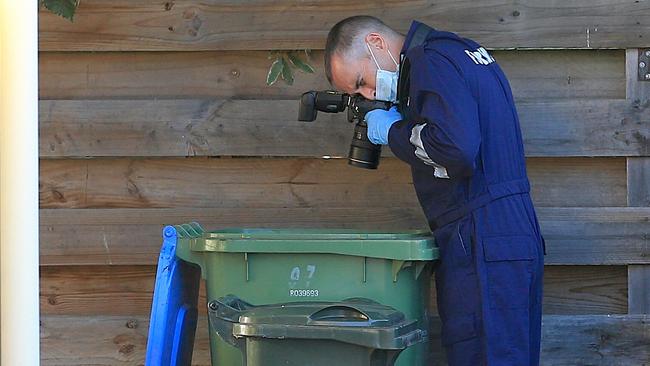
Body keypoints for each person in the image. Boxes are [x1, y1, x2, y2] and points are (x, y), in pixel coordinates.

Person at [324, 16, 546, 366]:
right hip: (508, 230)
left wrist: (394, 132)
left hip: (479, 233)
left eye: (362, 82)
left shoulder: (430, 62)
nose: (368, 94)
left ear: (376, 44)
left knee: (482, 355)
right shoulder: (462, 52)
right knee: (509, 354)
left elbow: (455, 150)